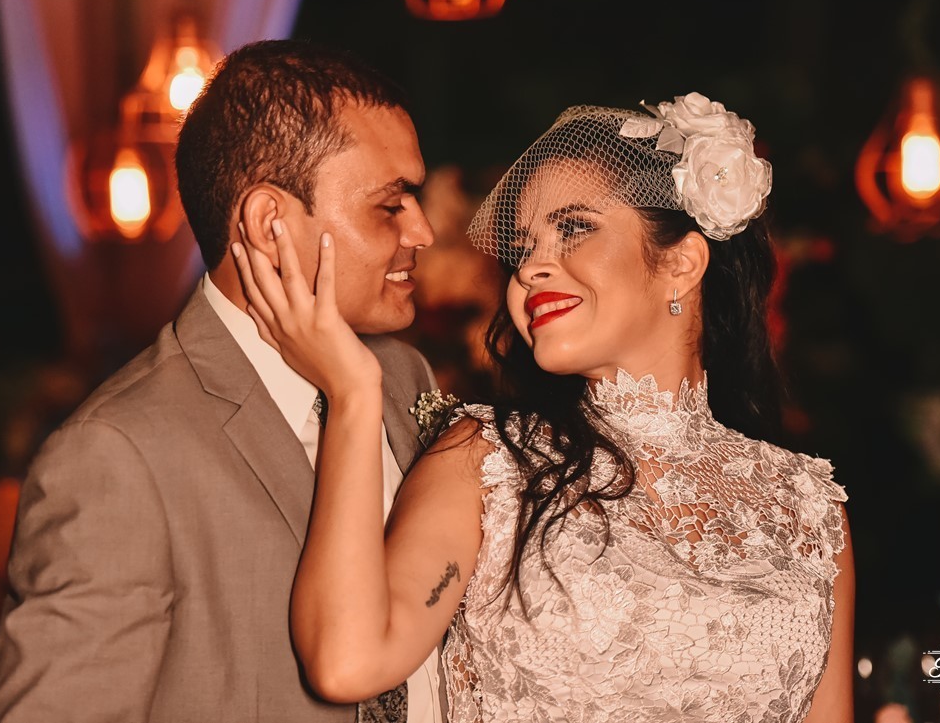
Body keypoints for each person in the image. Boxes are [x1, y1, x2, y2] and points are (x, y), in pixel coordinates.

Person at [233, 94, 855, 722]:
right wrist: (352, 394)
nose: (531, 266)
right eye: (523, 245)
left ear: (681, 262)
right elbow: (347, 662)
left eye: (574, 228)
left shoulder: (807, 507)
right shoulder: (486, 459)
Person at [0, 39, 446, 723]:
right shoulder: (118, 454)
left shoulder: (405, 376)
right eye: (391, 204)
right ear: (268, 223)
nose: (424, 231)